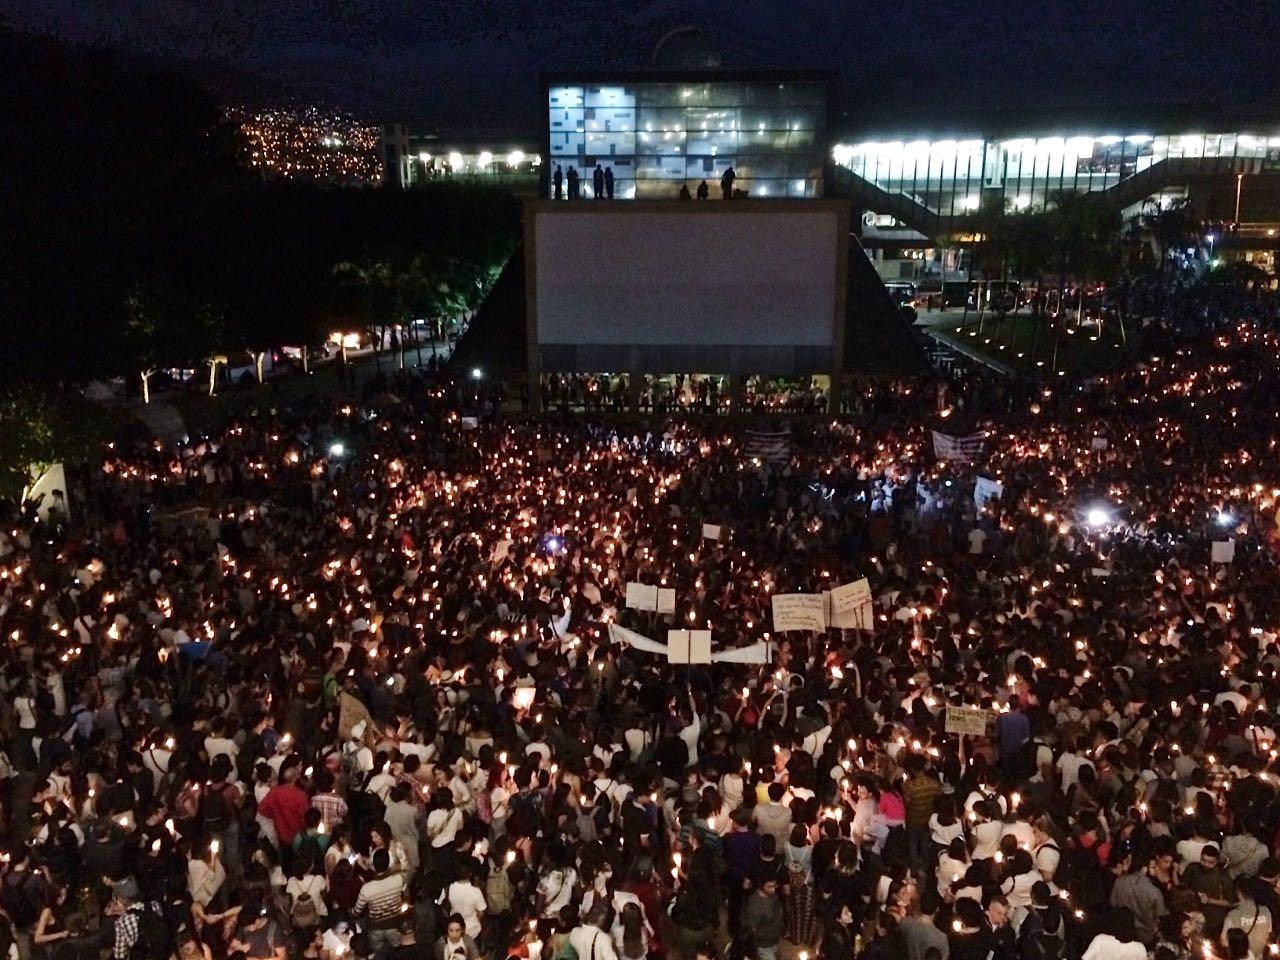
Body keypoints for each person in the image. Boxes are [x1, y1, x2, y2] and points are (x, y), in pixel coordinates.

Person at [353, 849, 407, 956]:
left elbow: (357, 911)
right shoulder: (399, 879)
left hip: (375, 929)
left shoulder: (366, 888)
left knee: (379, 954)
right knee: (397, 953)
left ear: (374, 864)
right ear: (388, 864)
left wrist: (351, 912)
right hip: (395, 925)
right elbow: (405, 896)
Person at [740, 875, 784, 960]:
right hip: (763, 945)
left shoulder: (773, 895)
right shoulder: (755, 906)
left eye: (774, 885)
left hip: (774, 940)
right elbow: (751, 930)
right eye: (769, 886)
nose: (773, 889)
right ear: (760, 886)